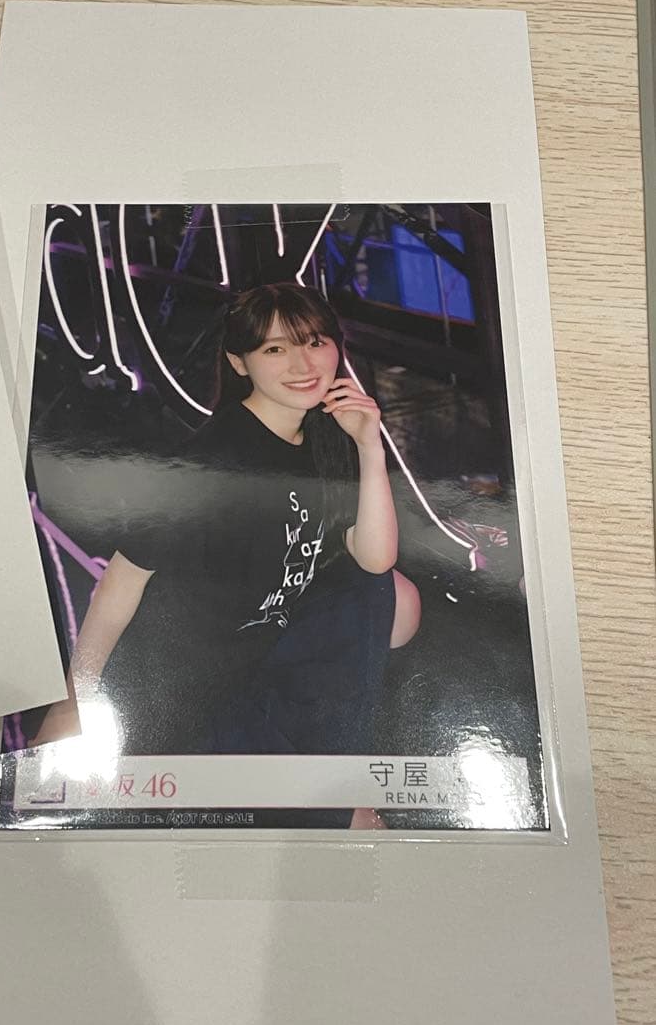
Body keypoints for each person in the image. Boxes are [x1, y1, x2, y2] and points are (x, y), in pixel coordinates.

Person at [33, 283, 421, 779]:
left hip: (259, 656)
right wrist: (74, 701)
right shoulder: (211, 461)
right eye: (275, 349)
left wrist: (370, 446)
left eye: (314, 342)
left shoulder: (327, 436)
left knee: (393, 598)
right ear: (239, 362)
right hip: (177, 680)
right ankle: (327, 790)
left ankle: (330, 774)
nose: (303, 365)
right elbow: (120, 582)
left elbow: (375, 559)